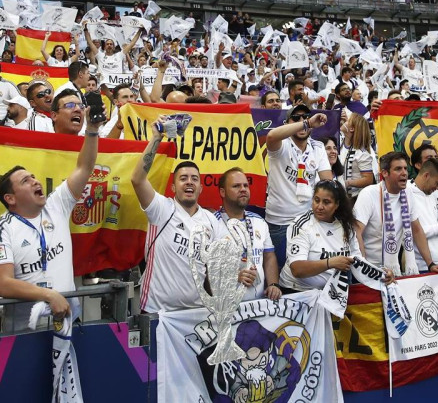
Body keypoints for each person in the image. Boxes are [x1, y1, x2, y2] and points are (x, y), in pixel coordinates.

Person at [0, 105, 103, 329]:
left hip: (67, 322)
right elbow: (4, 284)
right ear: (10, 198)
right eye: (25, 181)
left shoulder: (56, 205)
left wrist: (92, 130)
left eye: (33, 177)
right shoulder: (0, 228)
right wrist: (48, 295)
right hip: (25, 330)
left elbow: (84, 167)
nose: (35, 181)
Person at [132, 118, 222, 314]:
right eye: (183, 178)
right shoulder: (161, 209)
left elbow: (215, 268)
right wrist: (157, 138)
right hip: (157, 312)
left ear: (200, 187)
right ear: (173, 187)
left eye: (194, 179)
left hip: (195, 313)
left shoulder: (211, 220)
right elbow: (137, 180)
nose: (189, 183)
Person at [353, 151, 438, 276]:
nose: (404, 173)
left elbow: (417, 230)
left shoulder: (408, 194)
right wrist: (365, 267)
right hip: (368, 270)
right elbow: (356, 232)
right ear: (385, 173)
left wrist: (431, 264)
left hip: (393, 271)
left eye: (405, 168)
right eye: (398, 169)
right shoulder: (369, 194)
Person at [264, 105, 332, 269]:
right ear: (287, 123)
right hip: (280, 223)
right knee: (281, 275)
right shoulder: (282, 145)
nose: (301, 121)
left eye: (305, 117)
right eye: (296, 118)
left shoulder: (317, 147)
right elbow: (272, 135)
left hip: (308, 222)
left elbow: (327, 182)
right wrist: (307, 123)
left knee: (304, 276)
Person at [280, 180, 380, 292]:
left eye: (326, 202)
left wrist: (381, 275)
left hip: (333, 292)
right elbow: (297, 269)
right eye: (316, 200)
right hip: (298, 291)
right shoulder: (302, 225)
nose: (319, 206)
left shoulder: (346, 225)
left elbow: (358, 262)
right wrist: (330, 263)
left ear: (337, 204)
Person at [213, 168, 280, 302]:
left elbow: (268, 256)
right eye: (236, 186)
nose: (243, 189)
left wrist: (273, 284)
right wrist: (233, 276)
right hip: (225, 307)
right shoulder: (211, 224)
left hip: (258, 305)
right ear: (222, 192)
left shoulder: (259, 221)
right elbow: (205, 267)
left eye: (245, 185)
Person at [339, 112, 375, 199]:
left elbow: (368, 179)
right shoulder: (339, 143)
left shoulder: (362, 153)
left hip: (354, 198)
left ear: (351, 129)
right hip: (339, 195)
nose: (345, 122)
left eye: (348, 121)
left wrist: (347, 183)